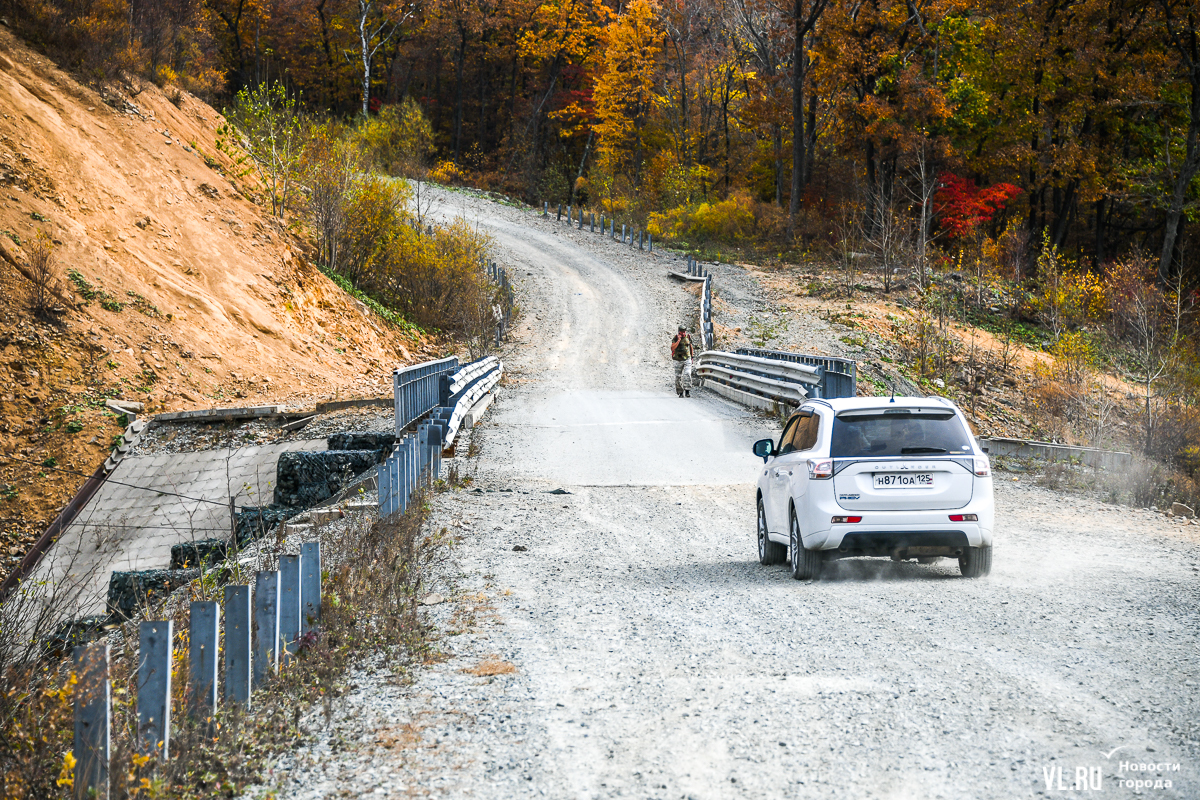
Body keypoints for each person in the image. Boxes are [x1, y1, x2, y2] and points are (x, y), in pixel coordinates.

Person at [670, 325, 693, 397]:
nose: (683, 333)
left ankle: (687, 391)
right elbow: (672, 348)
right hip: (677, 360)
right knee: (678, 377)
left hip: (687, 359)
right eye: (681, 332)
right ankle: (680, 392)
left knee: (687, 374)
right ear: (679, 331)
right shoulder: (675, 338)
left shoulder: (688, 337)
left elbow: (690, 346)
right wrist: (678, 340)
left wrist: (692, 357)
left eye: (684, 332)